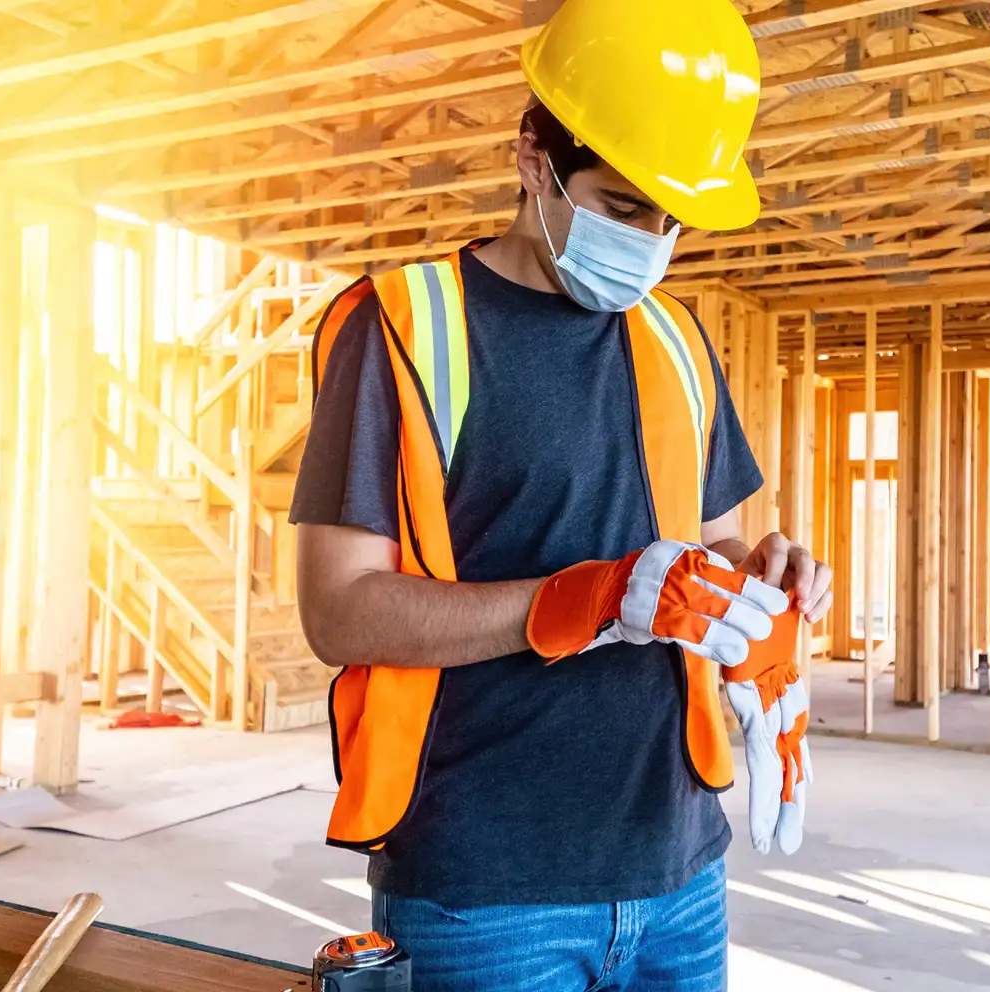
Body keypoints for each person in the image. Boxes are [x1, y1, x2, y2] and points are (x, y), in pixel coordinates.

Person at [290, 0, 832, 987]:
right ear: (534, 160)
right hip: (487, 893)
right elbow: (338, 608)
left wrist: (767, 583)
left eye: (672, 218)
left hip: (682, 872)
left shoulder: (676, 342)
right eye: (625, 207)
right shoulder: (404, 328)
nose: (652, 243)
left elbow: (714, 549)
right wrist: (579, 598)